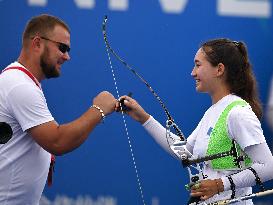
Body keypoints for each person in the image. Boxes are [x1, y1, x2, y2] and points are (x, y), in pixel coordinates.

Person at [116, 38, 273, 204]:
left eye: (198, 65)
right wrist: (144, 118)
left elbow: (268, 166)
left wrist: (219, 185)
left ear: (219, 69)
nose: (193, 73)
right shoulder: (214, 111)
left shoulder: (238, 114)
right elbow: (186, 152)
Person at [0, 14, 116, 205]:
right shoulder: (20, 85)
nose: (67, 57)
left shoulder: (22, 82)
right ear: (37, 43)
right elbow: (57, 141)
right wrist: (99, 109)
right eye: (62, 48)